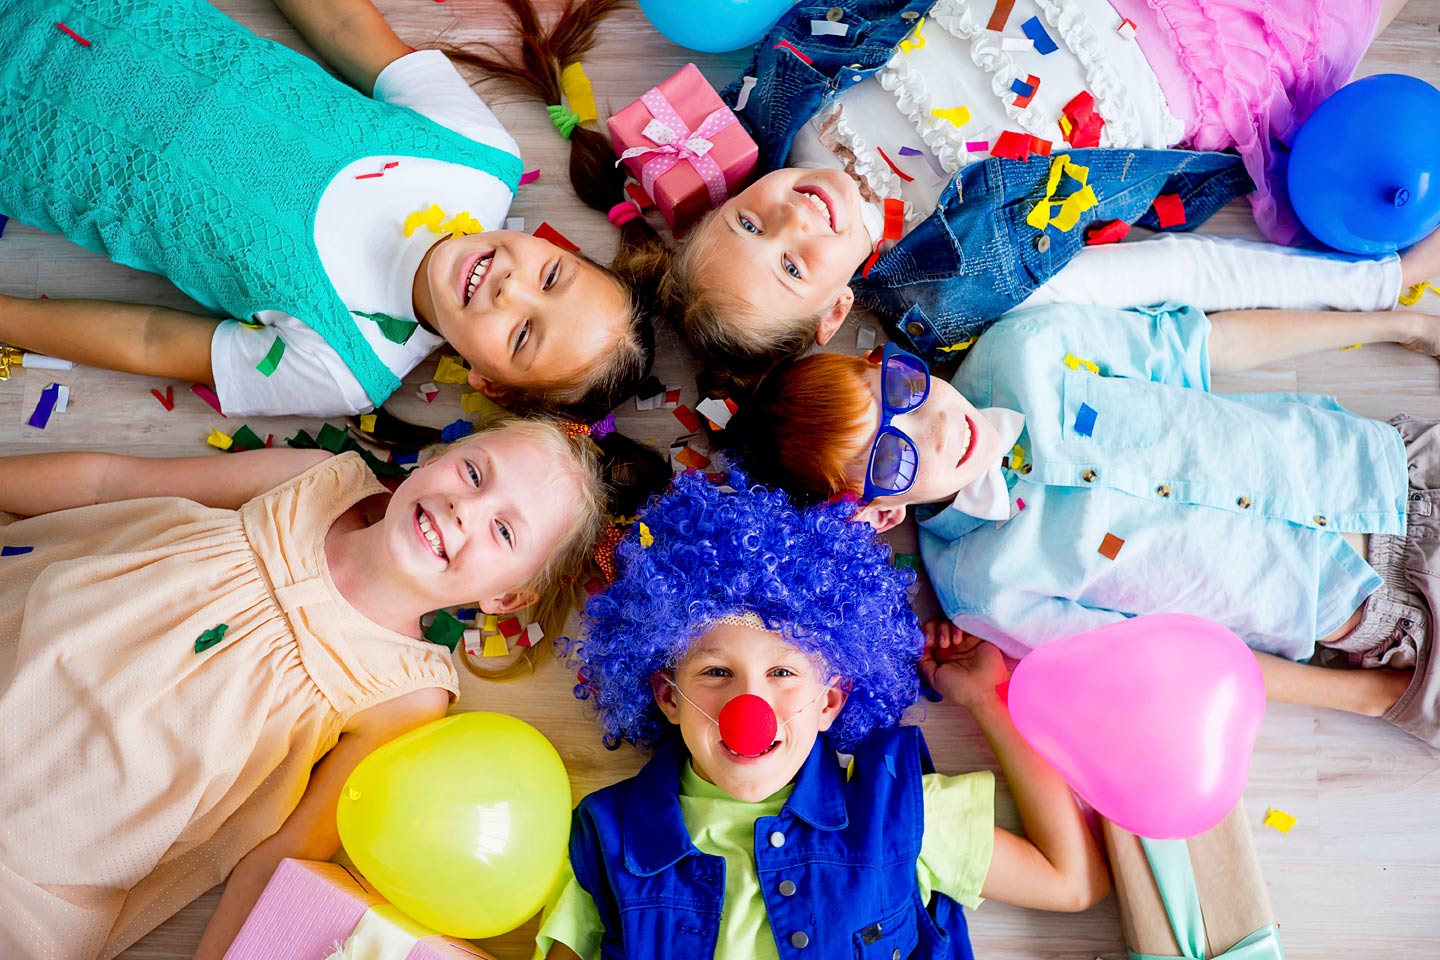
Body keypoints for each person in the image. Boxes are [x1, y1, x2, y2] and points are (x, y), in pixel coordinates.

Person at [0, 416, 654, 960]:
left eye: (504, 530)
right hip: (38, 641)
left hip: (80, 820)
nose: (465, 507)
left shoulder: (410, 693)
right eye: (473, 472)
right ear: (436, 458)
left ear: (505, 595)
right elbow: (111, 481)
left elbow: (280, 861)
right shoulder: (314, 480)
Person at [504, 0, 1415, 387]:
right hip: (1204, 57)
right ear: (831, 315)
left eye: (750, 216)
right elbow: (1173, 272)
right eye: (790, 264)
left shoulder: (787, 101)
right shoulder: (950, 283)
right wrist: (1380, 288)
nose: (792, 214)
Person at [724, 288, 1440, 747]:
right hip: (1376, 612)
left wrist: (1396, 322)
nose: (935, 427)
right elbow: (1183, 662)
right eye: (892, 456)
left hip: (1391, 466)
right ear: (879, 515)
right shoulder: (987, 589)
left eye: (904, 389)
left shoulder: (1025, 350)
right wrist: (1373, 702)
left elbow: (1204, 347)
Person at [533, 472, 1110, 959]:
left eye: (783, 674)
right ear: (667, 697)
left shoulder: (897, 810)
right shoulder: (608, 834)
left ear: (830, 701)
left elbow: (1074, 880)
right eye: (715, 673)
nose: (747, 707)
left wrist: (988, 699)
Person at [0, 0, 656, 420]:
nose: (513, 289)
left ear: (490, 384)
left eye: (522, 336)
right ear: (559, 246)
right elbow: (345, 26)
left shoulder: (346, 371)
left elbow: (152, 340)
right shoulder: (479, 156)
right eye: (551, 278)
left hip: (23, 146)